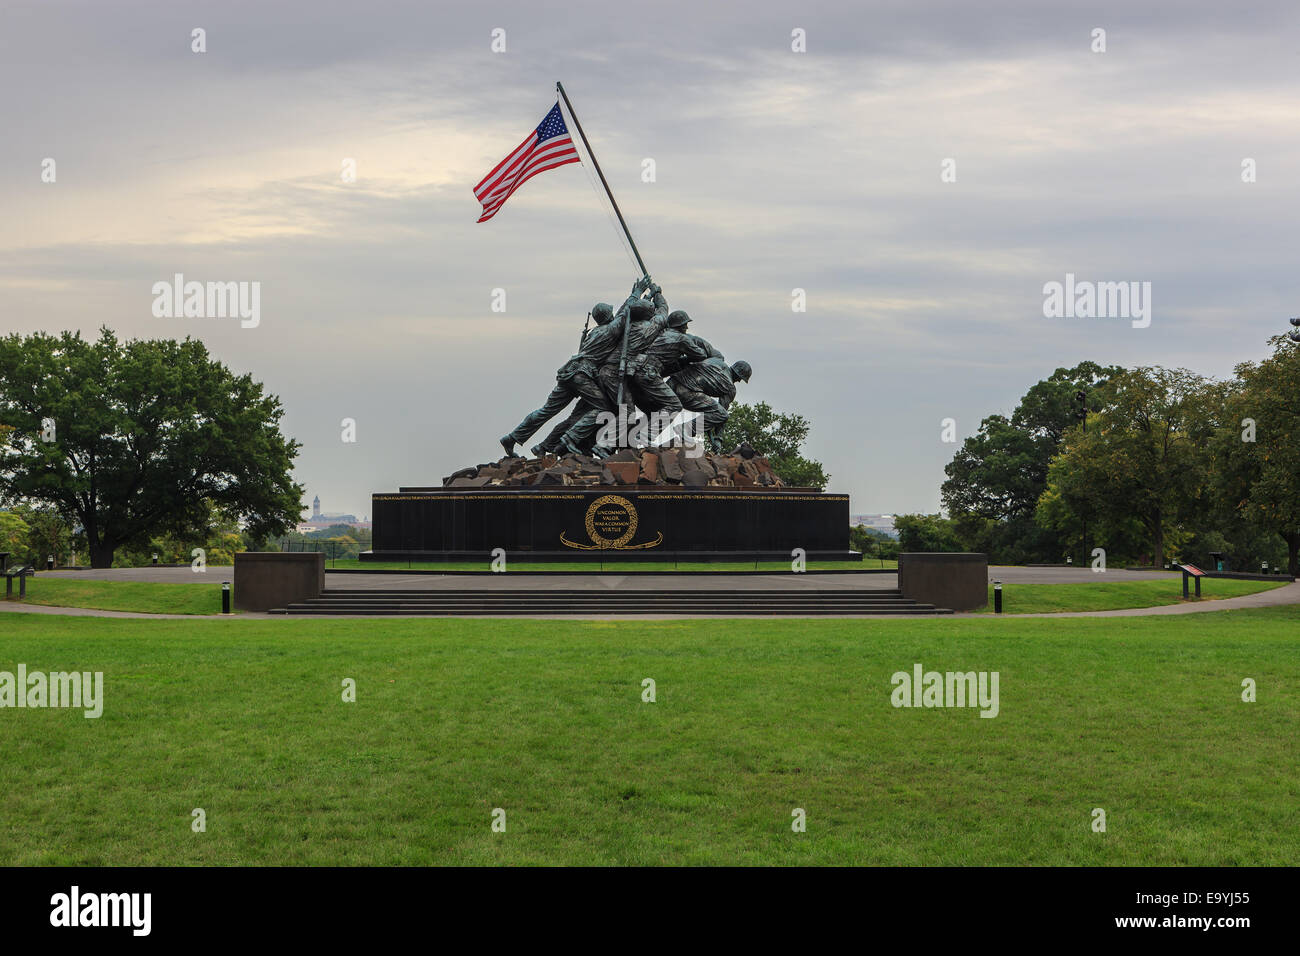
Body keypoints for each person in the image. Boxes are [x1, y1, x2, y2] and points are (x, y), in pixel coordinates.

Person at [498, 277, 650, 457]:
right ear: (608, 316)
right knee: (604, 409)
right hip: (582, 374)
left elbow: (622, 315)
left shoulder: (596, 332)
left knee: (546, 410)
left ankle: (512, 437)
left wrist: (635, 296)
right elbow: (625, 315)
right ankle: (570, 439)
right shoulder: (610, 331)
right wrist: (637, 293)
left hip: (568, 372)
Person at [667, 359, 751, 452]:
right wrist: (718, 439)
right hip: (687, 392)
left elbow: (709, 414)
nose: (739, 381)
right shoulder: (730, 387)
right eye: (741, 378)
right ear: (738, 374)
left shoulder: (717, 361)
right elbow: (720, 415)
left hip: (672, 382)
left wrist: (711, 434)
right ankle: (685, 429)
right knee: (722, 415)